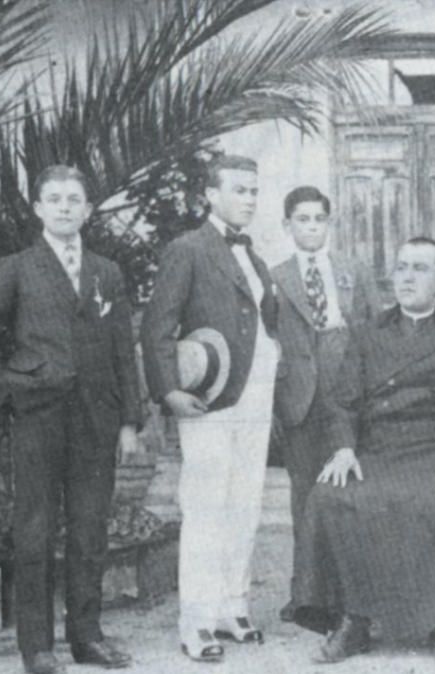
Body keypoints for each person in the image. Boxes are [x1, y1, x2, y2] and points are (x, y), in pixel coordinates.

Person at [0, 165, 141, 674]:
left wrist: (129, 421)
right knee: (35, 531)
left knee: (90, 529)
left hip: (95, 421)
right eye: (54, 198)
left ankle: (87, 638)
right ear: (38, 208)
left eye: (74, 199)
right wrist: (17, 392)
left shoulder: (107, 272)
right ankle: (36, 647)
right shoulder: (15, 269)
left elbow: (122, 353)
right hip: (38, 420)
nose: (65, 207)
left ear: (88, 209)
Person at [291, 237, 435, 666]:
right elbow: (343, 401)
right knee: (331, 496)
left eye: (420, 269)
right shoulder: (368, 333)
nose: (406, 276)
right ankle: (353, 620)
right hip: (377, 448)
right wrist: (345, 449)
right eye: (402, 267)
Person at [140, 155, 279, 662]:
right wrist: (169, 390)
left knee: (244, 503)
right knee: (205, 506)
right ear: (211, 195)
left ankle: (230, 606)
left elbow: (265, 324)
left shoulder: (254, 255)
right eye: (239, 190)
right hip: (210, 398)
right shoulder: (189, 249)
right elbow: (157, 325)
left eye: (254, 191)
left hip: (256, 397)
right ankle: (196, 621)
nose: (249, 199)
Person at [270, 186, 381, 621]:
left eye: (319, 219)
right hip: (300, 399)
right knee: (305, 497)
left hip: (347, 393)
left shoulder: (354, 270)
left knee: (351, 492)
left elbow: (373, 331)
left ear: (329, 224)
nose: (312, 227)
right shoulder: (274, 277)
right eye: (303, 219)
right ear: (287, 225)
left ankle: (351, 593)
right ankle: (306, 595)